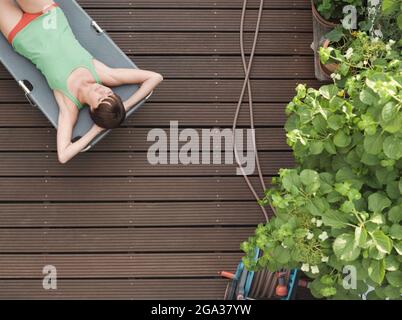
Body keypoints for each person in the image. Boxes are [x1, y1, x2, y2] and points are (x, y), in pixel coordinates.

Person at [0, 0, 163, 163]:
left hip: (21, 33)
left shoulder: (69, 105)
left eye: (101, 99)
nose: (103, 91)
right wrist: (126, 106)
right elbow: (155, 77)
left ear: (92, 109)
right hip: (46, 14)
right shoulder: (103, 74)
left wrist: (96, 130)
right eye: (110, 93)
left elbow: (63, 156)